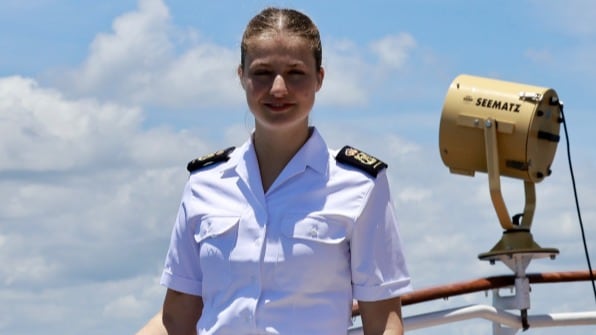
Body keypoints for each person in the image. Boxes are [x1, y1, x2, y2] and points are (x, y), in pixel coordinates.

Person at [138, 7, 412, 335]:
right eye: (263, 72)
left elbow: (383, 319)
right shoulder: (204, 184)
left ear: (319, 79)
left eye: (295, 73)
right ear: (241, 76)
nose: (278, 88)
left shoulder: (360, 185)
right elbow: (177, 317)